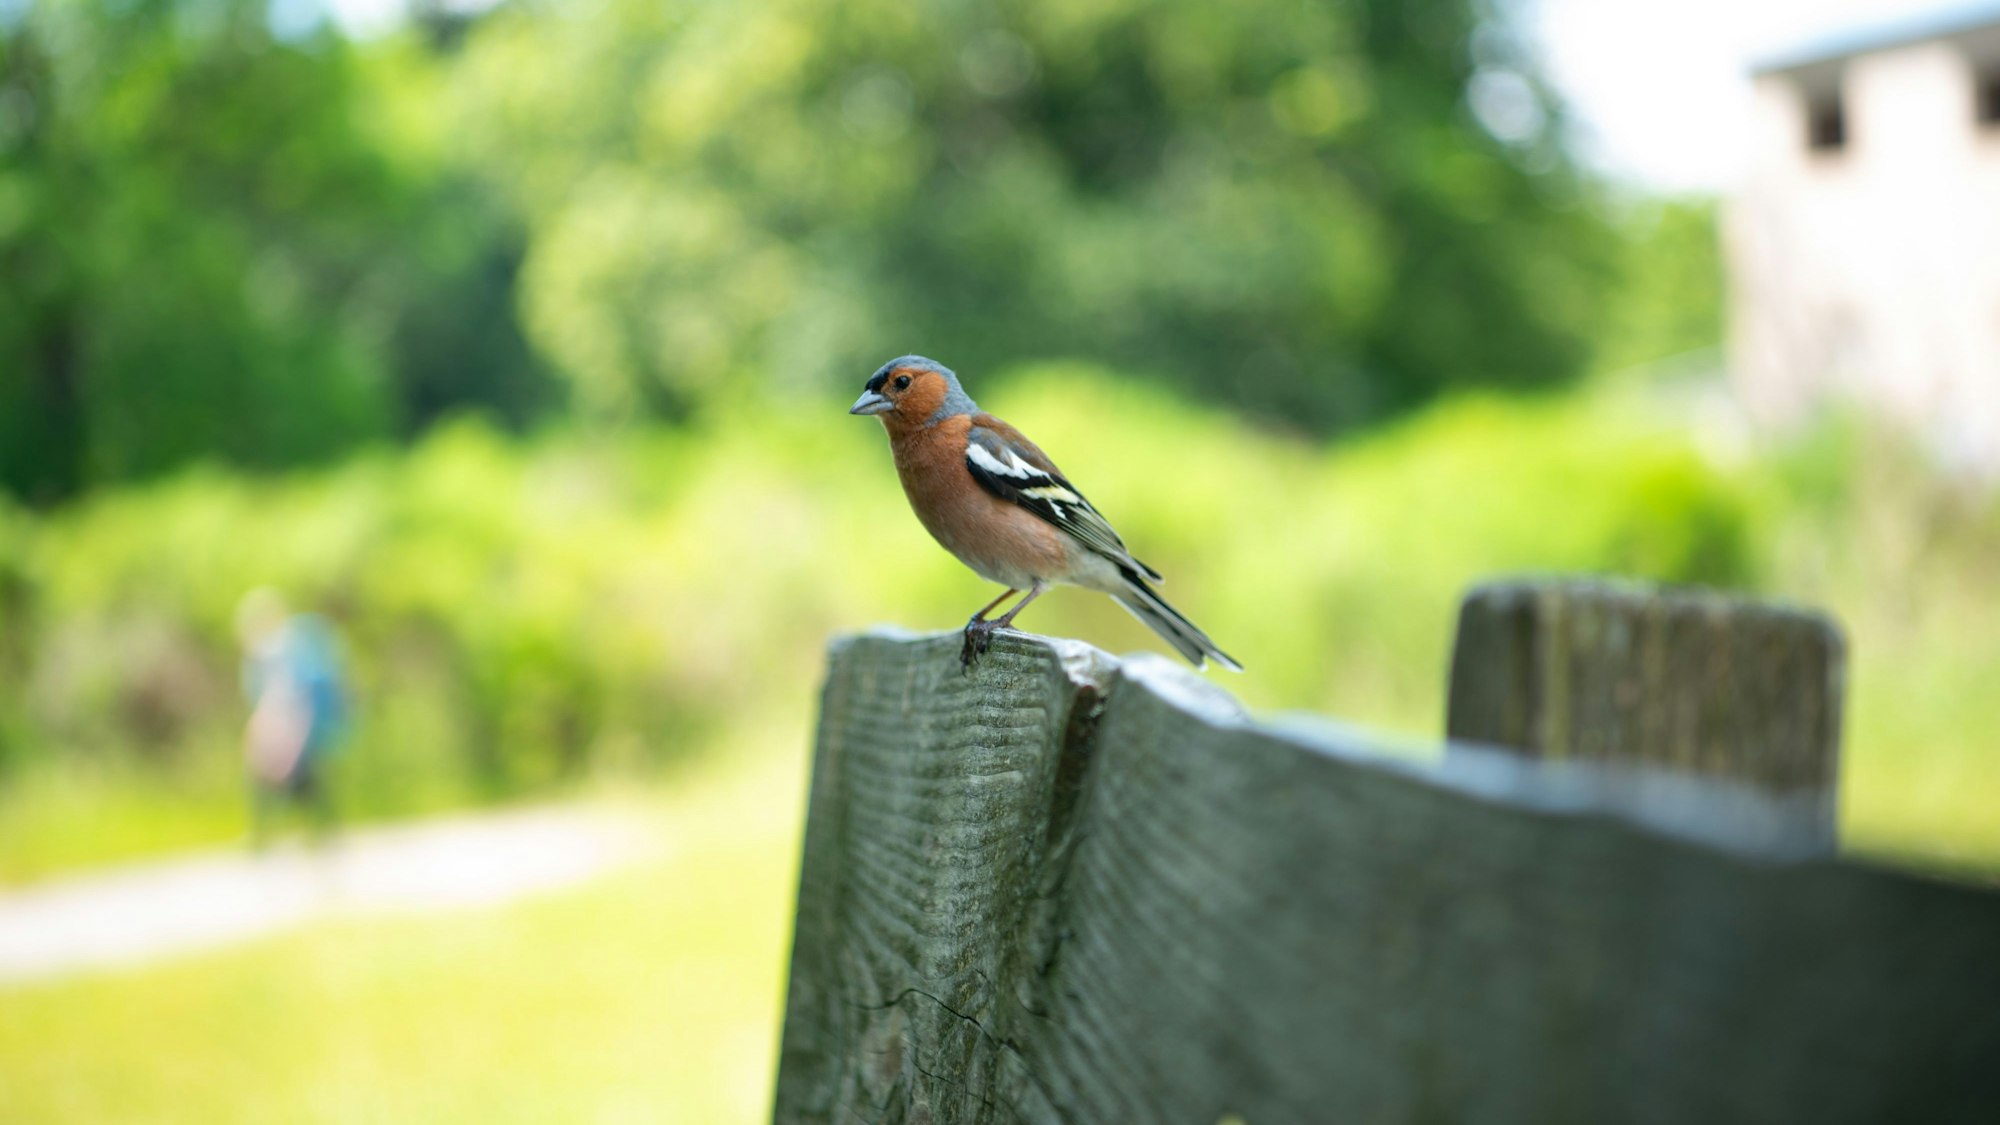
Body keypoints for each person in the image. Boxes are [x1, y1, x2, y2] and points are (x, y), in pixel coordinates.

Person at [236, 589, 349, 846]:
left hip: (298, 728)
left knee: (301, 780)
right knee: (283, 782)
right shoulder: (264, 656)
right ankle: (308, 833)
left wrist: (295, 734)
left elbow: (291, 698)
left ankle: (318, 833)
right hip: (284, 730)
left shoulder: (284, 653)